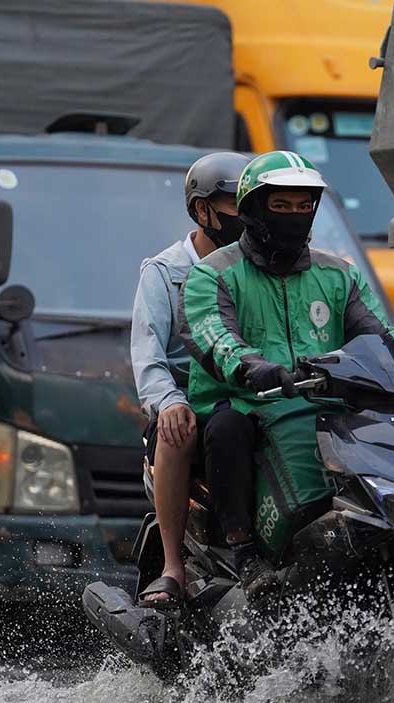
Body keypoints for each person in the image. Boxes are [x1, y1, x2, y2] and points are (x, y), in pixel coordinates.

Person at [179, 151, 394, 602]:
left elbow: (383, 338)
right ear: (253, 210)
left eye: (305, 207)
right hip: (248, 402)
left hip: (326, 404)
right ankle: (243, 551)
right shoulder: (213, 275)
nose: (295, 217)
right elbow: (214, 336)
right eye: (282, 207)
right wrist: (252, 366)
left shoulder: (338, 275)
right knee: (226, 428)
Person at [131, 151, 251, 608]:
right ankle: (172, 566)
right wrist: (169, 403)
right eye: (235, 205)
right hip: (187, 405)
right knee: (178, 430)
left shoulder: (257, 269)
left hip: (246, 395)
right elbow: (148, 357)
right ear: (203, 210)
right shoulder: (164, 273)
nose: (248, 218)